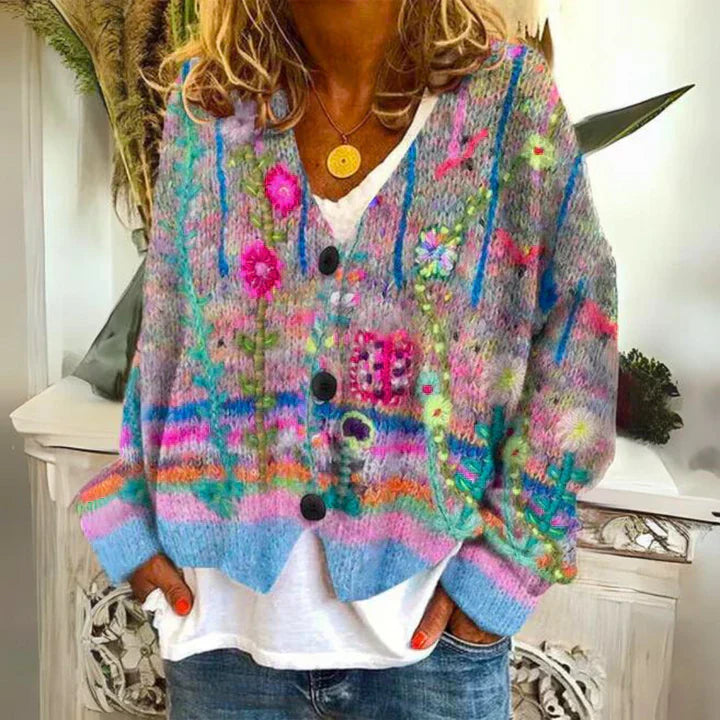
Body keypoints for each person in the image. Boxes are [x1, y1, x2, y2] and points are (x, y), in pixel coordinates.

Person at [73, 1, 619, 718]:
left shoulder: (509, 103)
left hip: (428, 658)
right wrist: (130, 524)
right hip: (223, 644)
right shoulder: (207, 108)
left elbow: (581, 337)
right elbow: (169, 331)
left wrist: (509, 566)